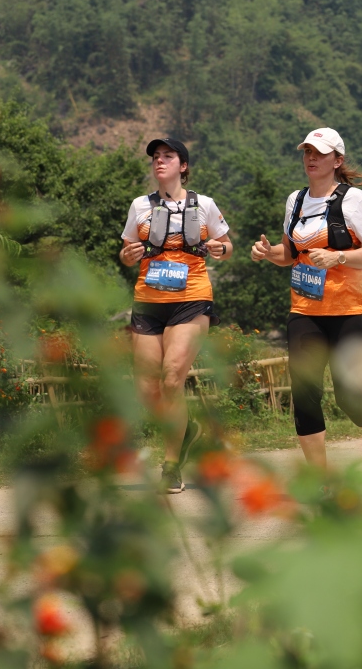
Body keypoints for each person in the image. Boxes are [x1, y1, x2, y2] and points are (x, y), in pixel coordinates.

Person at [250, 128, 362, 474]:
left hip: (351, 311)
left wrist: (340, 258)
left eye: (319, 153)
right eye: (307, 152)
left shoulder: (353, 200)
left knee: (351, 398)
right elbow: (289, 253)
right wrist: (266, 252)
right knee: (304, 396)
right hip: (305, 310)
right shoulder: (296, 200)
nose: (311, 158)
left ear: (338, 160)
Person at [120, 138, 232, 494]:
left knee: (171, 379)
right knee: (147, 389)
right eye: (155, 157)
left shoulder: (205, 205)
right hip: (148, 302)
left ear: (183, 166)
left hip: (192, 299)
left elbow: (227, 246)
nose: (159, 161)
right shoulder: (140, 206)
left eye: (168, 156)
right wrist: (129, 255)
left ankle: (170, 466)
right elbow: (126, 252)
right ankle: (188, 432)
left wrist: (219, 248)